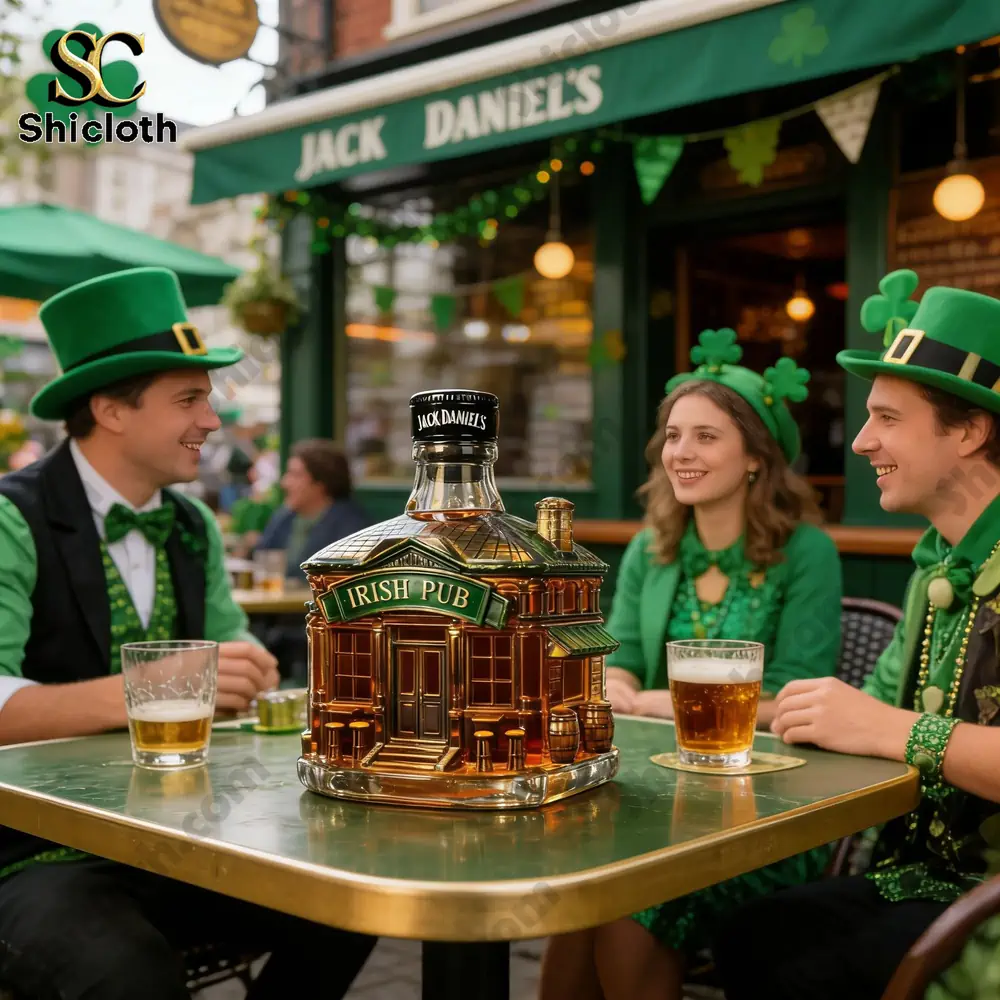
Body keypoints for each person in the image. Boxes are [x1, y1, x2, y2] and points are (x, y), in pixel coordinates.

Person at [0, 267, 375, 999]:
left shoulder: (194, 524)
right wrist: (158, 686)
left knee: (351, 897)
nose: (212, 421)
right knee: (127, 974)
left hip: (175, 839)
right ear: (110, 409)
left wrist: (251, 674)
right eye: (189, 399)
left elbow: (234, 664)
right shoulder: (12, 519)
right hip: (32, 855)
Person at [711, 270, 1000, 999]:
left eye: (888, 418)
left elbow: (881, 725)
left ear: (969, 429)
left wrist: (894, 730)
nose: (863, 440)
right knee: (749, 931)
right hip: (919, 882)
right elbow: (855, 720)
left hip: (983, 914)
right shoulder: (938, 564)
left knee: (773, 950)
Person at [539, 328, 842, 1000]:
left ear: (757, 457)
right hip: (655, 797)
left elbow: (798, 707)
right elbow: (617, 662)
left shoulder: (807, 553)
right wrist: (616, 684)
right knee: (580, 894)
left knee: (625, 893)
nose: (681, 452)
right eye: (673, 436)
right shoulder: (654, 548)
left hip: (768, 813)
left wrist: (650, 703)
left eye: (706, 436)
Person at [256, 438, 370, 580]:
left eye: (295, 475)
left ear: (321, 484)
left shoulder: (351, 526)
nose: (285, 483)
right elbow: (261, 558)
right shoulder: (286, 516)